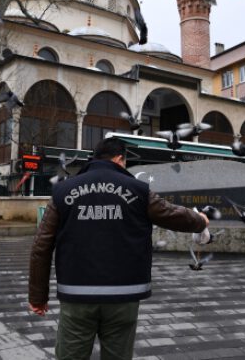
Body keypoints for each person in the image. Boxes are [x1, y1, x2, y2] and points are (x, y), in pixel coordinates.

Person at [29, 137, 208, 360]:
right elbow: (171, 214)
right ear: (119, 159)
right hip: (123, 296)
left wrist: (38, 296)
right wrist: (200, 221)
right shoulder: (138, 190)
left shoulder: (63, 191)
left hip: (77, 295)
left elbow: (41, 246)